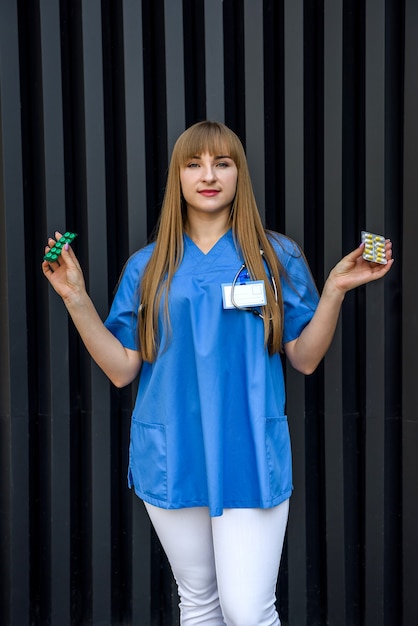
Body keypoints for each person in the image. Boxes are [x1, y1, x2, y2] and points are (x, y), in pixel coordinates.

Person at [42, 120, 393, 625]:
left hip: (248, 452)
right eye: (194, 164)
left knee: (248, 611)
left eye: (222, 163)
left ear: (238, 174)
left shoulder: (275, 255)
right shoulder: (148, 266)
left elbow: (305, 357)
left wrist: (334, 288)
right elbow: (122, 370)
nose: (209, 174)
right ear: (177, 178)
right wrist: (76, 299)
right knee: (200, 604)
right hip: (173, 452)